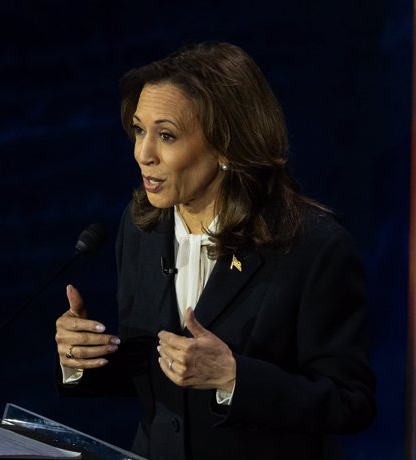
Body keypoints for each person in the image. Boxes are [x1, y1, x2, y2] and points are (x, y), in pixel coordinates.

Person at [54, 42, 376, 460]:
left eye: (165, 136)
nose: (142, 154)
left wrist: (234, 378)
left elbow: (352, 402)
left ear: (226, 146)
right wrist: (84, 356)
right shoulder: (141, 228)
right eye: (139, 130)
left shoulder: (311, 247)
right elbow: (161, 371)